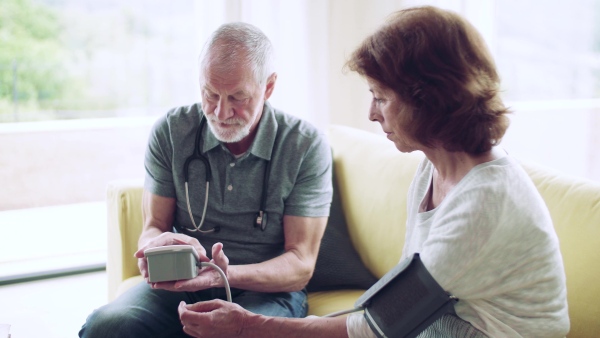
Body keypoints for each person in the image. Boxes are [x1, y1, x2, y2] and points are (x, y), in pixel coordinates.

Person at [175, 6, 570, 338]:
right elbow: (395, 303)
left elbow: (382, 324)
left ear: (427, 101)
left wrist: (249, 325)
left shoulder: (484, 202)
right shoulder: (431, 172)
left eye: (381, 97)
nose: (371, 112)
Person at [78, 22, 333, 337]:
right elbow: (153, 226)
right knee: (106, 327)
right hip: (185, 282)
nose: (221, 111)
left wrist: (222, 275)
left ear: (268, 87)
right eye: (210, 94)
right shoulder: (172, 131)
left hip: (268, 293)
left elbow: (300, 265)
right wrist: (153, 249)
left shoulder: (305, 145)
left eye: (237, 97)